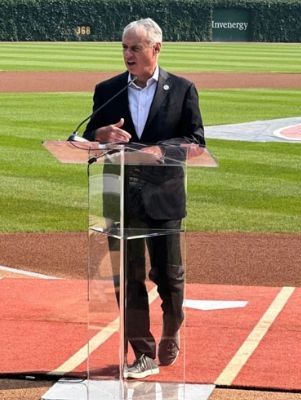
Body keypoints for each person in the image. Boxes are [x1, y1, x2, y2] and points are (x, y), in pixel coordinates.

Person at [83, 18, 205, 379]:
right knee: (127, 277)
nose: (128, 54)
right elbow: (89, 135)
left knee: (168, 275)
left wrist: (161, 149)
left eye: (135, 47)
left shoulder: (182, 89)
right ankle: (143, 352)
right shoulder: (107, 90)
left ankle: (172, 327)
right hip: (118, 196)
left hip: (163, 196)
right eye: (124, 47)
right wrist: (101, 133)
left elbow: (197, 142)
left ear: (156, 49)